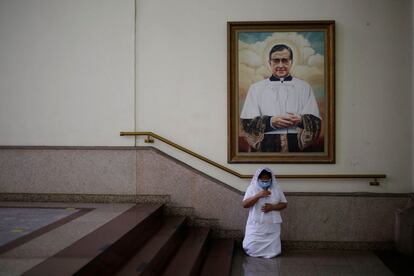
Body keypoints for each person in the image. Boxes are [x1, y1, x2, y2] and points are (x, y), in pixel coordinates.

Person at [240, 44, 322, 152]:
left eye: (285, 60)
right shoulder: (256, 88)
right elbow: (247, 123)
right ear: (270, 62)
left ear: (291, 62)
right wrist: (270, 122)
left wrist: (301, 120)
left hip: (296, 144)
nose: (280, 65)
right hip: (266, 143)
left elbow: (316, 122)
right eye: (276, 60)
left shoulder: (304, 87)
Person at [242, 167, 287, 258]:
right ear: (257, 179)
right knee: (252, 246)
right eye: (262, 180)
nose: (265, 182)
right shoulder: (252, 188)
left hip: (272, 225)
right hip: (256, 225)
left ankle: (271, 252)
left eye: (267, 180)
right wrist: (258, 195)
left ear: (271, 179)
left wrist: (272, 207)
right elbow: (245, 205)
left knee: (273, 249)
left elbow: (284, 204)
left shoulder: (276, 189)